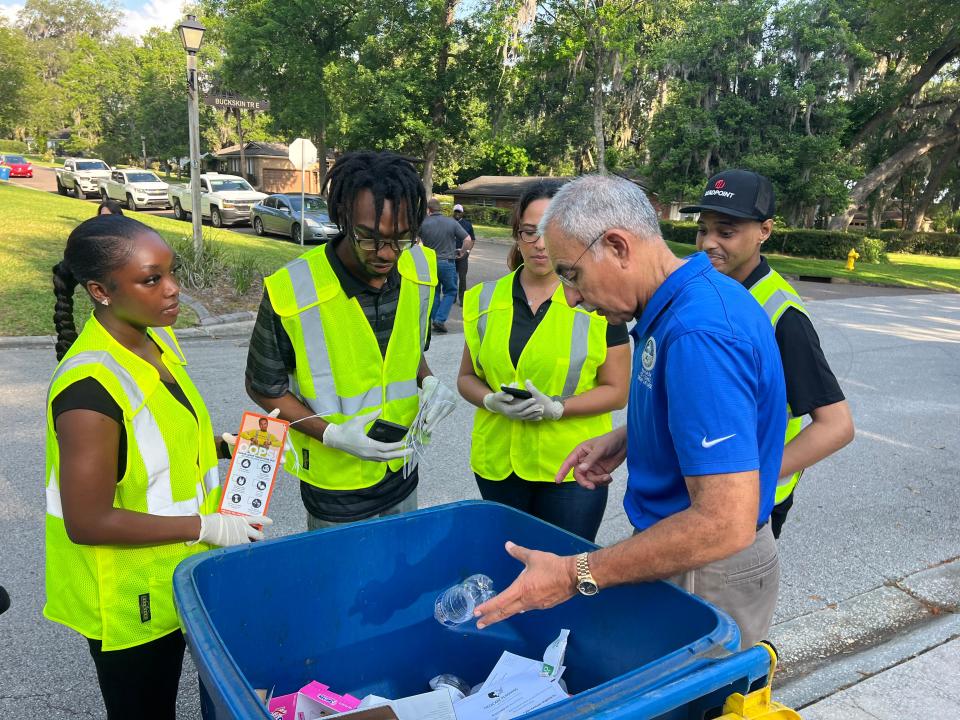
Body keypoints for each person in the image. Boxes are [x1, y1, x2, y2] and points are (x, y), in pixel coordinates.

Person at [472, 174, 787, 650]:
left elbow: (724, 520)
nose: (572, 298)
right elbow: (699, 408)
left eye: (571, 274)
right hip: (687, 555)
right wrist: (630, 436)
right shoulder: (684, 299)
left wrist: (573, 573)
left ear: (618, 246)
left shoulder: (698, 333)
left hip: (705, 568)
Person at [45, 215, 268, 719]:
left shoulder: (155, 339)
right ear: (101, 291)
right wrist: (208, 526)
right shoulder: (88, 391)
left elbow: (149, 443)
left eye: (172, 273)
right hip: (132, 599)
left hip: (180, 573)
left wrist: (220, 445)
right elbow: (88, 521)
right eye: (152, 279)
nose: (173, 291)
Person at [245, 151, 457, 530]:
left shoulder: (421, 268)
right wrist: (332, 434)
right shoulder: (291, 290)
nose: (388, 254)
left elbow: (410, 352)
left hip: (402, 464)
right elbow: (265, 387)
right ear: (341, 214)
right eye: (370, 238)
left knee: (398, 575)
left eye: (402, 238)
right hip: (335, 484)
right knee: (343, 584)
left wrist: (428, 380)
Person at [682, 169, 854, 538]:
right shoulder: (705, 288)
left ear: (765, 231)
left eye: (726, 232)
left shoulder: (781, 314)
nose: (708, 243)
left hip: (750, 504)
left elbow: (836, 426)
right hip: (694, 493)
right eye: (702, 229)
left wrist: (750, 474)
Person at [457, 181, 631, 541]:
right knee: (507, 565)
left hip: (571, 470)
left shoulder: (597, 299)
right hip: (498, 467)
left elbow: (617, 391)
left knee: (566, 572)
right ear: (516, 236)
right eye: (528, 232)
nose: (539, 243)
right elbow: (466, 377)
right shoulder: (483, 299)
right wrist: (489, 400)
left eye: (549, 232)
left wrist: (557, 408)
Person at [420, 197, 470, 333]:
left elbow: (414, 242)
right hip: (447, 262)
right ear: (440, 209)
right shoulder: (451, 222)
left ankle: (435, 318)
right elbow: (467, 239)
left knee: (435, 291)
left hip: (430, 263)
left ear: (428, 210)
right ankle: (440, 319)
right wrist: (462, 251)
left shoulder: (423, 223)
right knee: (450, 291)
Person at [453, 203, 475, 305]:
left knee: (462, 278)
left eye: (459, 212)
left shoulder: (467, 224)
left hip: (463, 255)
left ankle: (462, 299)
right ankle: (451, 297)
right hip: (451, 253)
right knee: (452, 277)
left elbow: (472, 240)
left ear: (462, 213)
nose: (457, 213)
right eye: (456, 211)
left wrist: (467, 251)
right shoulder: (449, 222)